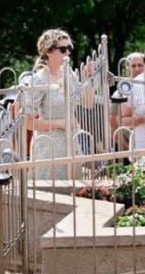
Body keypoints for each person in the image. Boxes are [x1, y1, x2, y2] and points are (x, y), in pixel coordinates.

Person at [24, 29, 97, 179]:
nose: (68, 53)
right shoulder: (39, 79)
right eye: (63, 49)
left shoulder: (68, 73)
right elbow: (28, 123)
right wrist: (61, 123)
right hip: (48, 148)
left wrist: (87, 79)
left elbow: (89, 104)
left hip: (71, 144)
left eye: (69, 48)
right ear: (48, 52)